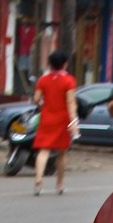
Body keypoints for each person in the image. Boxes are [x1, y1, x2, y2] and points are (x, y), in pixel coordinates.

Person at [32, 49, 78, 196]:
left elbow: (36, 99)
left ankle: (39, 179)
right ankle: (59, 184)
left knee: (43, 151)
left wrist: (42, 107)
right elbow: (70, 101)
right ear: (65, 64)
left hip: (46, 118)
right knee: (61, 153)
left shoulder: (43, 80)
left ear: (50, 63)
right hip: (62, 119)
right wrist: (73, 120)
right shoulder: (68, 80)